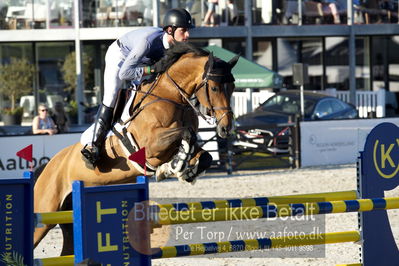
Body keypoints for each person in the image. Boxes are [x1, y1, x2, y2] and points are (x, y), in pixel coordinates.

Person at [80, 8, 194, 166]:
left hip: (142, 61)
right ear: (170, 30)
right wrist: (151, 70)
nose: (188, 35)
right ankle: (93, 145)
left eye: (188, 31)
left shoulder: (176, 45)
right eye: (184, 30)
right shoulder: (148, 41)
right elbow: (125, 73)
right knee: (111, 95)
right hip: (121, 57)